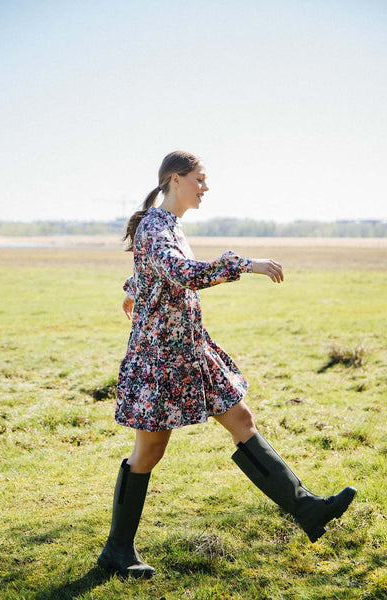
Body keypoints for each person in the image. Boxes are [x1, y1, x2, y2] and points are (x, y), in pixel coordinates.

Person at [97, 151, 357, 578]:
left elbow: (153, 270)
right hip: (162, 358)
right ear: (175, 180)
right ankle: (117, 551)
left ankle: (306, 508)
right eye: (200, 179)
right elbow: (179, 272)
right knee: (149, 451)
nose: (206, 187)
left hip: (192, 350)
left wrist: (133, 290)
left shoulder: (170, 227)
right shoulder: (154, 225)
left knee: (242, 418)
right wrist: (244, 264)